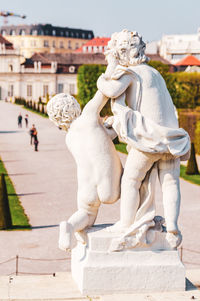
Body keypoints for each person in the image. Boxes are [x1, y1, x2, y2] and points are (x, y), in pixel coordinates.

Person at [97, 29, 190, 248]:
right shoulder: (155, 73)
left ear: (122, 53)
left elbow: (110, 90)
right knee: (170, 182)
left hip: (150, 138)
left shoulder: (131, 73)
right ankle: (174, 228)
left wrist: (105, 72)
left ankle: (127, 224)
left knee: (130, 180)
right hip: (171, 138)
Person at [47, 92, 122, 251]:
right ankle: (140, 220)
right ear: (75, 105)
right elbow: (104, 90)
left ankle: (70, 226)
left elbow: (103, 136)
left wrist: (107, 126)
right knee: (135, 180)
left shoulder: (70, 138)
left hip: (86, 188)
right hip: (108, 180)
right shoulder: (89, 115)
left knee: (87, 213)